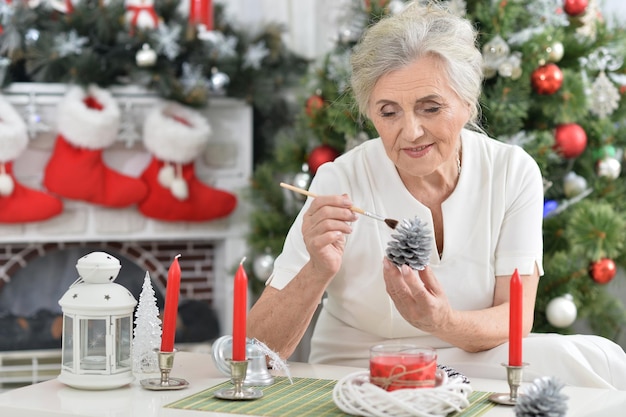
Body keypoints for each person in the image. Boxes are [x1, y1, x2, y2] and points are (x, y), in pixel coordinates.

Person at [247, 1, 626, 390]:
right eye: (389, 112)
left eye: (430, 108)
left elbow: (514, 318)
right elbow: (255, 351)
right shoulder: (339, 180)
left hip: (473, 357)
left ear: (466, 102)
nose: (410, 132)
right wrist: (316, 269)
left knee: (600, 360)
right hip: (362, 368)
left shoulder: (513, 172)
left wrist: (440, 321)